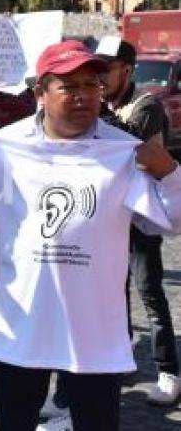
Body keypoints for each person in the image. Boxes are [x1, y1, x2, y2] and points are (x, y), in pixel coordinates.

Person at [0, 41, 181, 430]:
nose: (83, 96)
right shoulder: (4, 146)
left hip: (94, 334)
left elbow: (170, 225)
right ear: (40, 92)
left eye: (92, 85)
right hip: (23, 329)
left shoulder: (124, 150)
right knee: (13, 423)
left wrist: (170, 175)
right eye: (69, 86)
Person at [98, 38, 180, 405]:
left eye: (106, 69)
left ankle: (169, 372)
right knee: (111, 292)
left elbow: (129, 146)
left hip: (141, 217)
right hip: (107, 214)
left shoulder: (146, 105)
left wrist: (96, 113)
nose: (98, 77)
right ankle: (121, 359)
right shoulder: (103, 105)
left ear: (126, 71)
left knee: (149, 291)